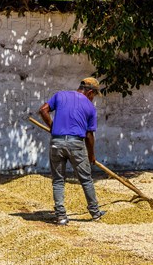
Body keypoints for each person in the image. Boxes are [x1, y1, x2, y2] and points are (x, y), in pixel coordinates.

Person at [38, 77, 106, 226]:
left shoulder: (60, 95)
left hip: (57, 142)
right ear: (89, 92)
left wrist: (52, 127)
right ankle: (95, 213)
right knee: (86, 179)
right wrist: (91, 155)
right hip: (76, 144)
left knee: (58, 180)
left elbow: (43, 110)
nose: (93, 99)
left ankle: (61, 216)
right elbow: (89, 135)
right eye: (94, 95)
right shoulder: (89, 107)